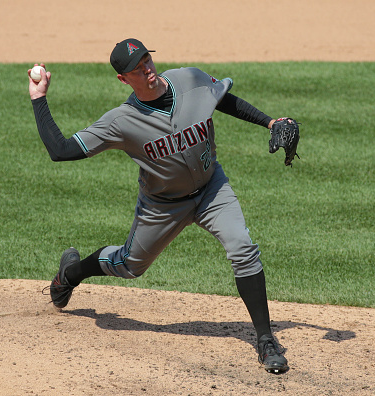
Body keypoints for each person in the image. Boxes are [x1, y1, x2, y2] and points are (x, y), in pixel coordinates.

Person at [28, 38, 289, 374]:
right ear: (123, 79)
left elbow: (222, 100)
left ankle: (266, 340)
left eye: (147, 61)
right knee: (128, 265)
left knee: (243, 247)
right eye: (136, 69)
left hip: (212, 189)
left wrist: (270, 122)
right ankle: (71, 273)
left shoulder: (189, 79)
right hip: (162, 206)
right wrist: (39, 99)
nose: (146, 70)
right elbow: (61, 150)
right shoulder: (121, 121)